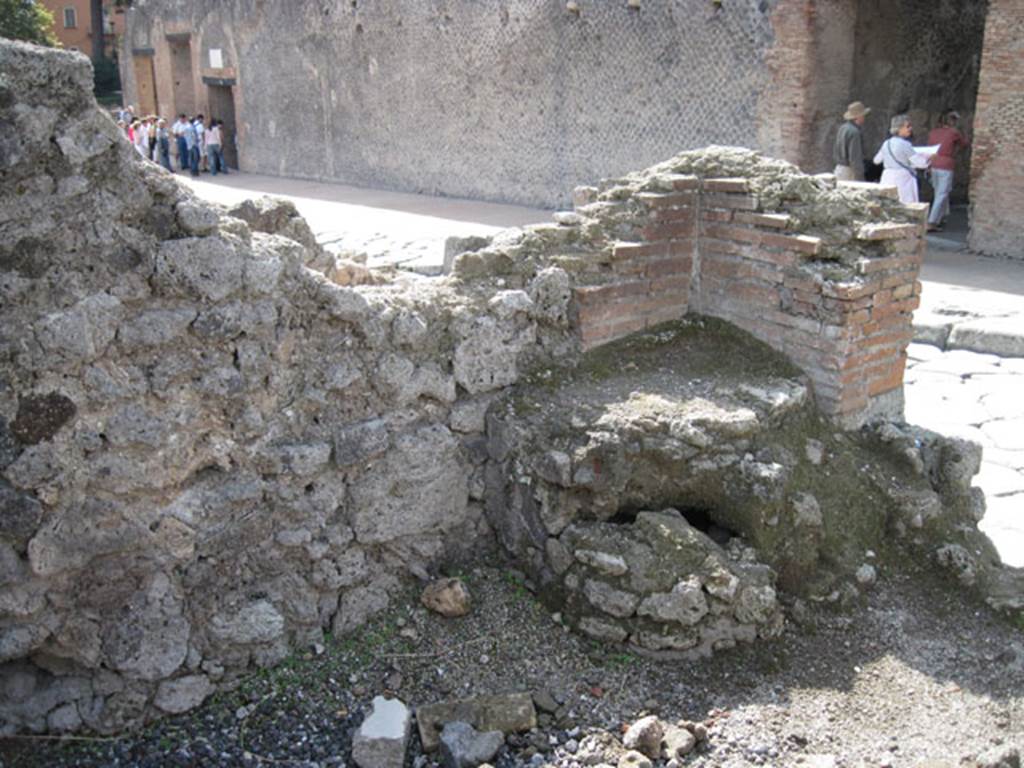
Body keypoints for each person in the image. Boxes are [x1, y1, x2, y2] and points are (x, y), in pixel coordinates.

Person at [925, 110, 970, 232]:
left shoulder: (933, 132)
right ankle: (931, 221)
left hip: (934, 164)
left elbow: (929, 149)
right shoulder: (953, 132)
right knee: (942, 194)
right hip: (946, 165)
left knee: (939, 192)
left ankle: (942, 216)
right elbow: (964, 143)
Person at [873, 114, 930, 204]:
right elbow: (921, 164)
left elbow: (876, 160)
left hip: (887, 178)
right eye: (907, 126)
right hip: (903, 179)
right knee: (905, 206)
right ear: (899, 128)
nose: (910, 128)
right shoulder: (905, 145)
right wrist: (929, 158)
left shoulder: (886, 143)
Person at [833, 101, 870, 181]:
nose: (864, 117)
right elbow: (854, 158)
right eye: (863, 115)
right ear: (858, 116)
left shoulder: (842, 128)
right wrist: (859, 176)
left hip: (839, 168)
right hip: (849, 172)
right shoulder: (854, 132)